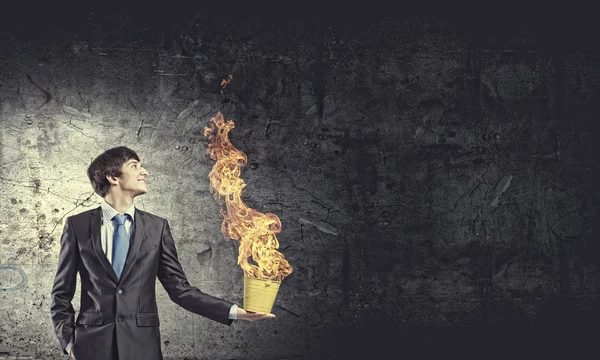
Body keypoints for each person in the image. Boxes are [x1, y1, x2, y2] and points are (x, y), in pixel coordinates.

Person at [50, 146, 274, 360]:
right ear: (113, 177)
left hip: (142, 346)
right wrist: (69, 342)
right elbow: (61, 293)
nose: (144, 172)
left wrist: (235, 311)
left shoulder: (157, 228)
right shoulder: (77, 225)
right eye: (135, 166)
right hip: (91, 346)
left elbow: (180, 290)